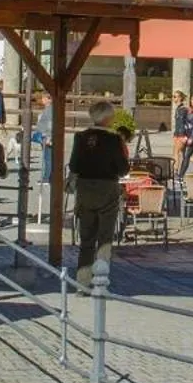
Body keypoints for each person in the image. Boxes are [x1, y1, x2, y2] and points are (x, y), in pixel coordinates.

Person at [68, 100, 130, 287]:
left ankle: (82, 281)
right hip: (106, 188)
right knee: (105, 238)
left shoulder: (80, 137)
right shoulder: (114, 139)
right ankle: (100, 282)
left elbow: (73, 165)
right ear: (108, 118)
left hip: (85, 188)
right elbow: (123, 169)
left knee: (86, 238)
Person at [171, 91, 191, 172]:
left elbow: (184, 123)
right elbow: (178, 123)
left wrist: (185, 136)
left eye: (175, 97)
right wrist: (175, 134)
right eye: (173, 96)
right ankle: (179, 170)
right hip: (177, 134)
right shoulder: (178, 109)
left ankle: (174, 170)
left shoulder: (183, 109)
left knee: (176, 152)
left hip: (182, 135)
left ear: (180, 98)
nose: (173, 98)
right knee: (182, 153)